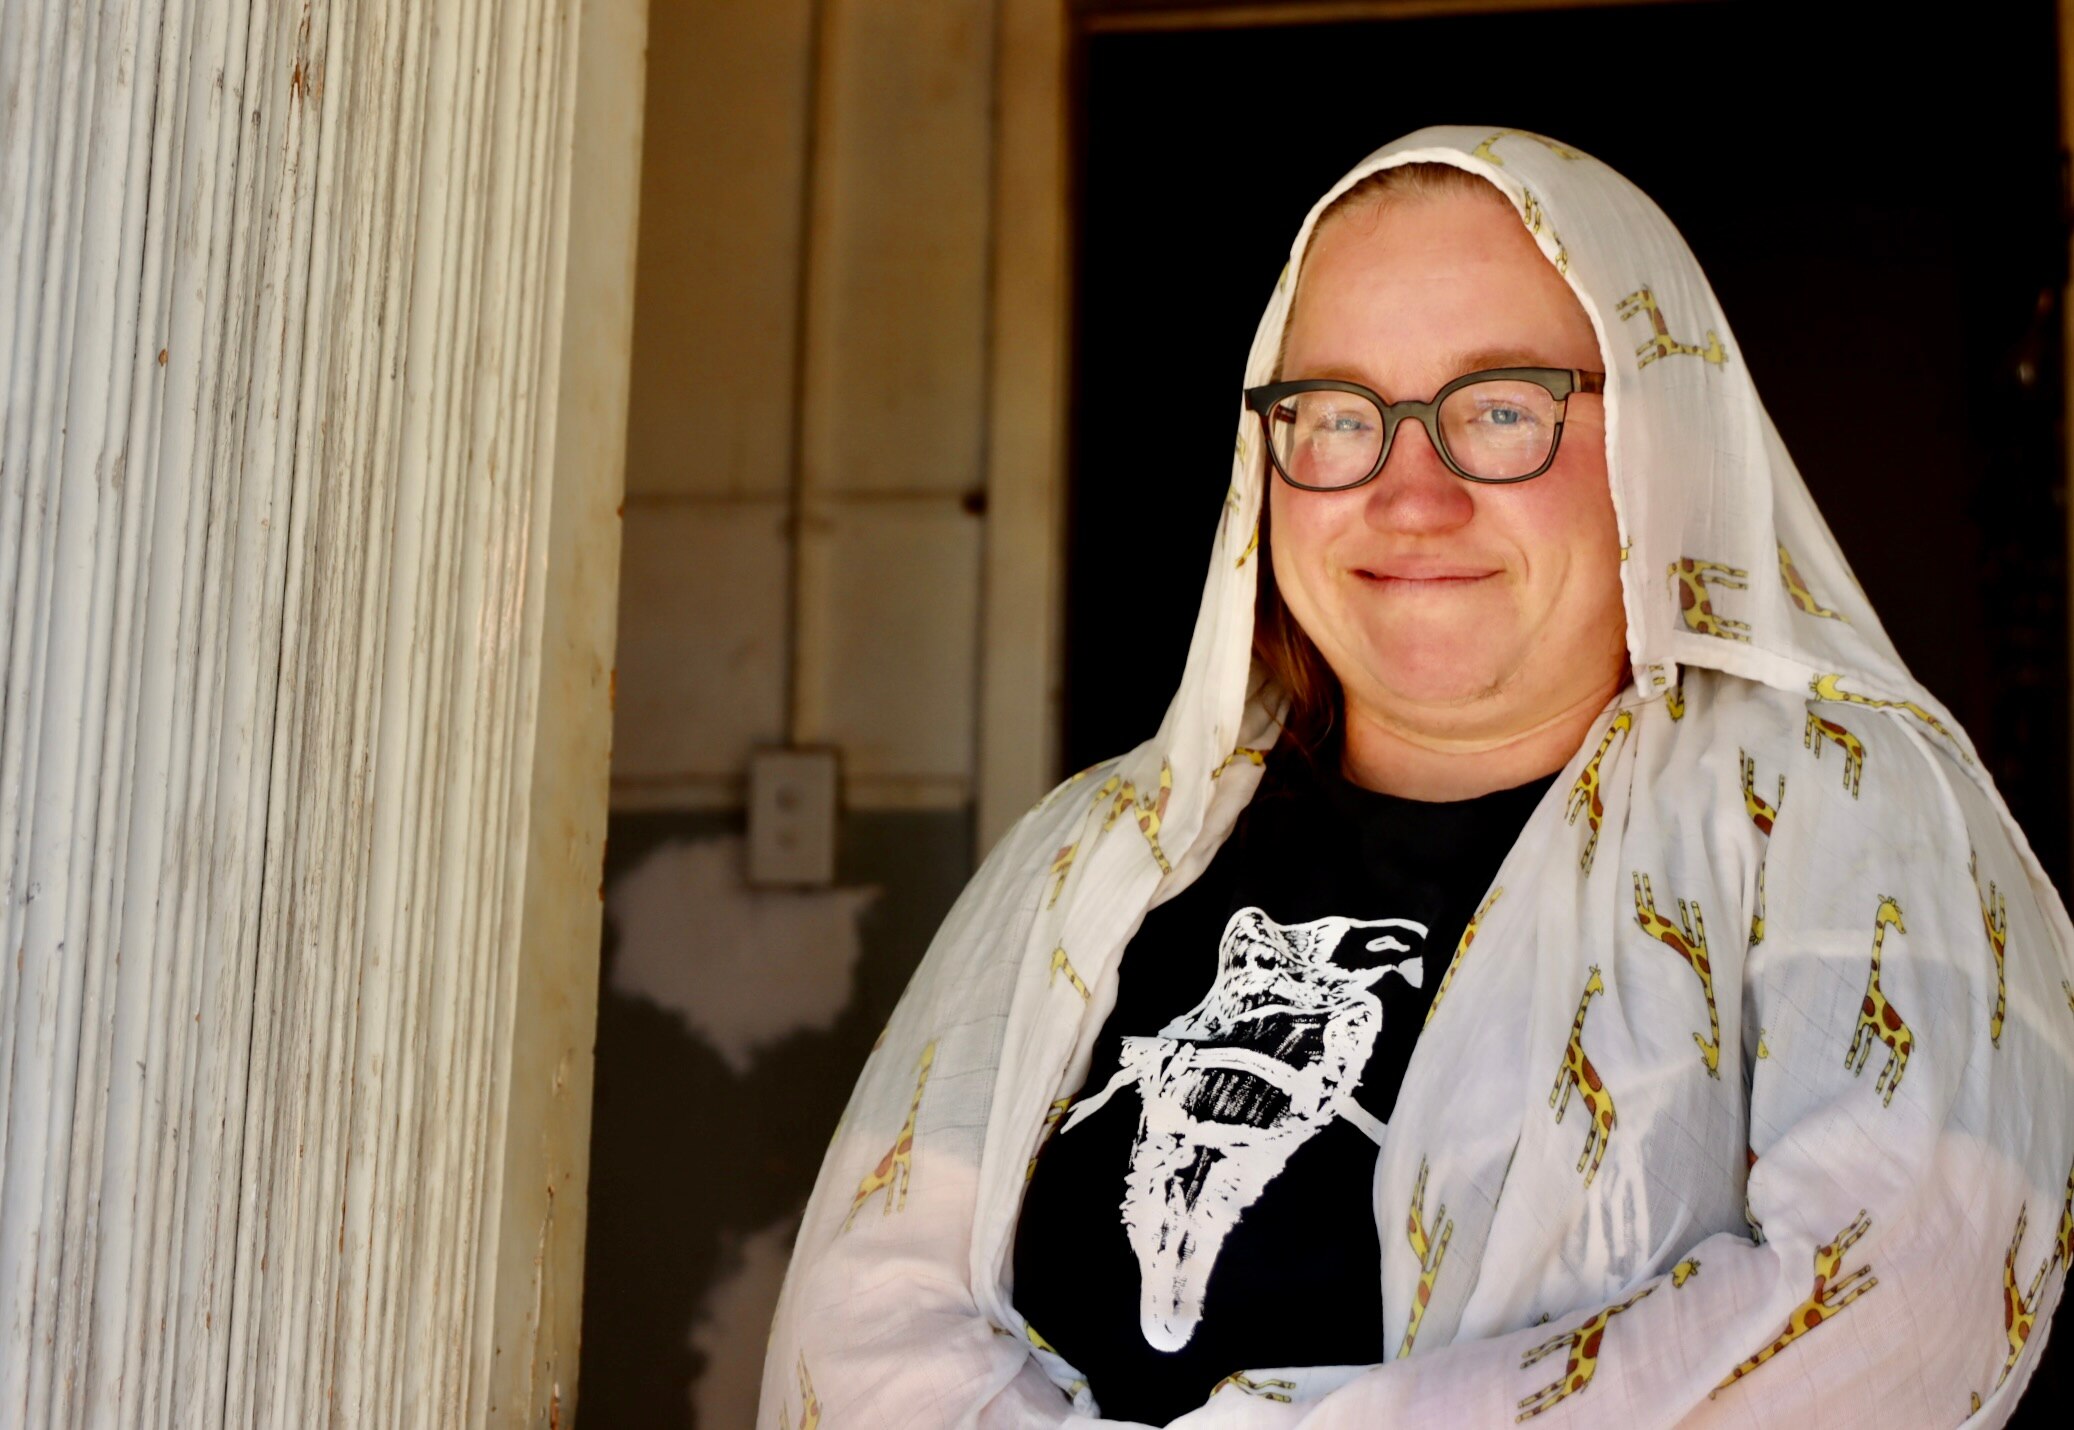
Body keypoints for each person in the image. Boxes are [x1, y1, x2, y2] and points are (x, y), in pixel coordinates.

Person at [759, 128, 2074, 1427]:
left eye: (1498, 408)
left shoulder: (1843, 807)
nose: (1408, 491)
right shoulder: (1089, 853)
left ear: (1656, 435)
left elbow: (1894, 1301)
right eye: (1336, 417)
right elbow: (864, 1324)